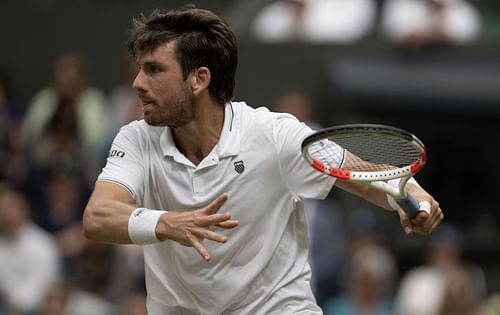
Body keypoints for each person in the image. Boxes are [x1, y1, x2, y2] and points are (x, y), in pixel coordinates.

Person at [83, 5, 444, 314]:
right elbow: (98, 217)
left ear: (199, 79)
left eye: (154, 69)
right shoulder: (136, 138)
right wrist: (167, 223)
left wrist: (412, 195)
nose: (137, 83)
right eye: (140, 69)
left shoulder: (275, 135)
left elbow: (363, 176)